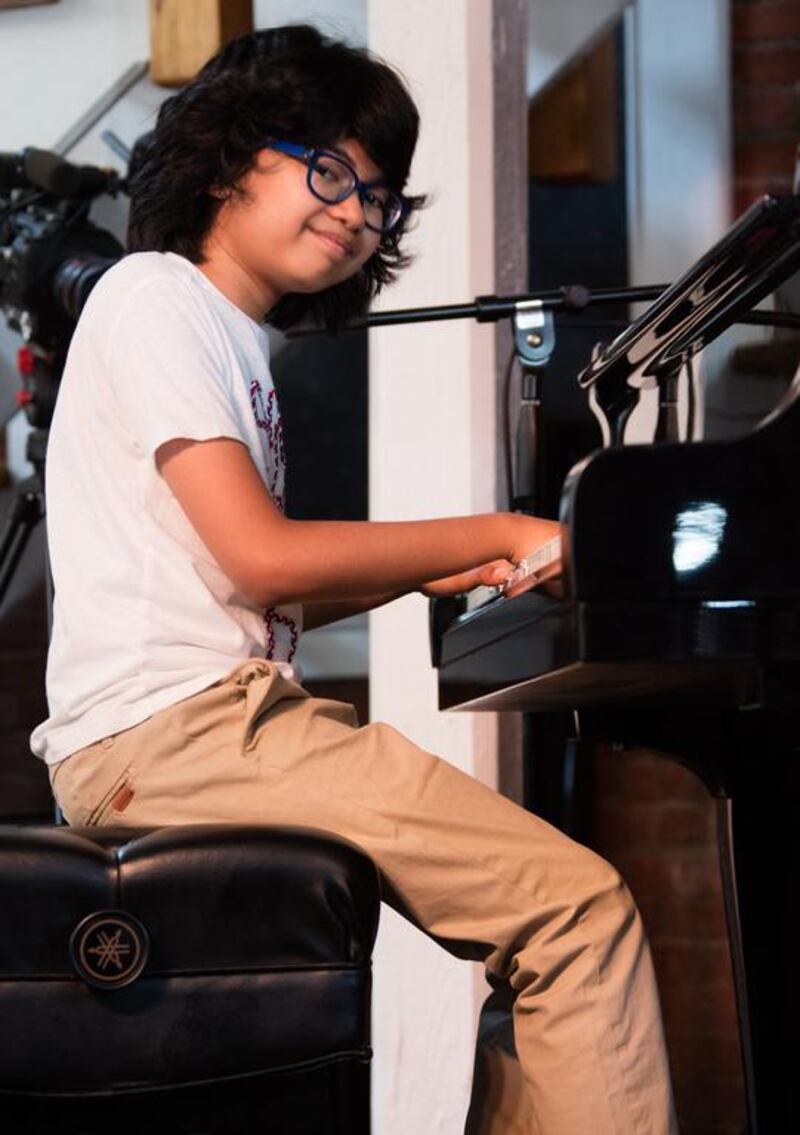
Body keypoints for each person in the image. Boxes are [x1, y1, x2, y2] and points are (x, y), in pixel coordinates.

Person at [31, 25, 677, 1134]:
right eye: (327, 168)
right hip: (179, 735)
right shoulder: (153, 296)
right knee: (575, 909)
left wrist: (447, 566)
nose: (352, 211)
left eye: (376, 197)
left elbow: (248, 589)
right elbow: (263, 557)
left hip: (186, 729)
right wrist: (498, 525)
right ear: (229, 155)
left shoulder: (222, 335)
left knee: (552, 917)